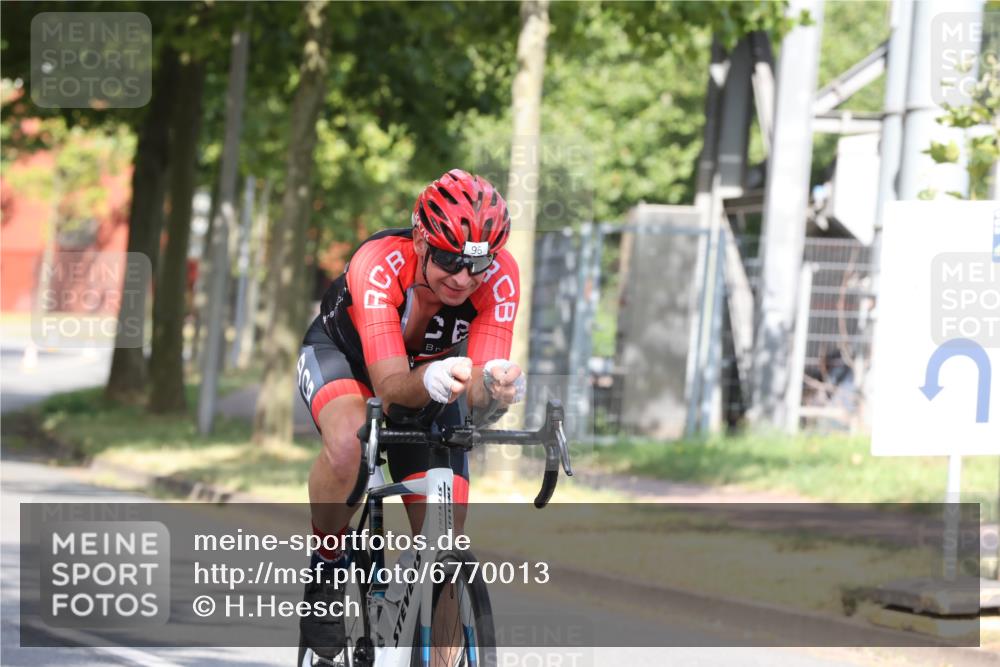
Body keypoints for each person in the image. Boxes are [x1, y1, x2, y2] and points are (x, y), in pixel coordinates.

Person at [297, 168, 526, 658]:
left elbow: (481, 384)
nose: (464, 279)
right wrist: (432, 379)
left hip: (431, 376)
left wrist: (495, 387)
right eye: (449, 261)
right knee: (348, 445)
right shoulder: (378, 263)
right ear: (422, 241)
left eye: (477, 267)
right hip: (350, 362)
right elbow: (392, 392)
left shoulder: (501, 276)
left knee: (445, 538)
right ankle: (327, 561)